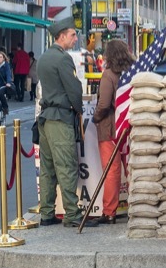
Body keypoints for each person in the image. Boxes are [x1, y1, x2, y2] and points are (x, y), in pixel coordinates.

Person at [36, 15, 93, 228]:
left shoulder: (44, 57)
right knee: (67, 166)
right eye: (72, 35)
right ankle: (72, 214)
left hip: (45, 118)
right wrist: (79, 110)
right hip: (60, 118)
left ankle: (47, 213)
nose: (75, 38)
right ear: (61, 36)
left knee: (48, 168)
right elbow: (74, 89)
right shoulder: (63, 58)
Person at [91, 39, 134, 224]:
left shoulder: (109, 75)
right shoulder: (133, 71)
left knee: (111, 170)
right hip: (130, 126)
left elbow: (103, 104)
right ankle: (137, 207)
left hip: (111, 128)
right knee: (132, 168)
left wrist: (95, 118)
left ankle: (110, 211)